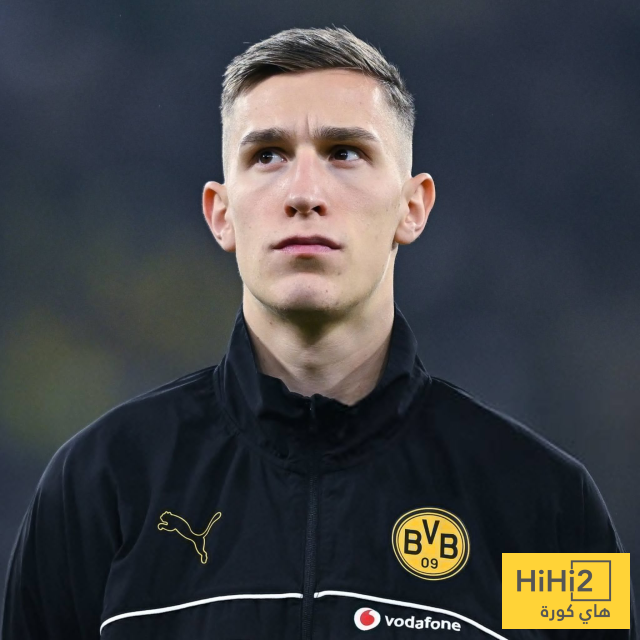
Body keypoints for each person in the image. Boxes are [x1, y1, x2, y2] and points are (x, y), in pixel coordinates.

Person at [1, 27, 636, 640]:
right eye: (268, 156)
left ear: (412, 206)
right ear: (221, 214)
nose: (304, 192)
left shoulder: (548, 502)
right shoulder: (100, 483)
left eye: (344, 153)